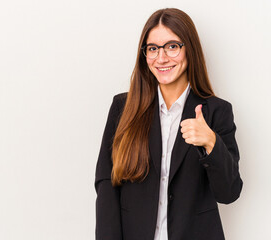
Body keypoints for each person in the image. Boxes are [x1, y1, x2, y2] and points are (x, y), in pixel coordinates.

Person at [94, 8, 243, 240]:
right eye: (153, 48)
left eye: (172, 46)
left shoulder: (217, 111)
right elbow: (106, 184)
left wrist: (211, 143)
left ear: (189, 49)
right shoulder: (123, 107)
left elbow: (229, 193)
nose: (161, 58)